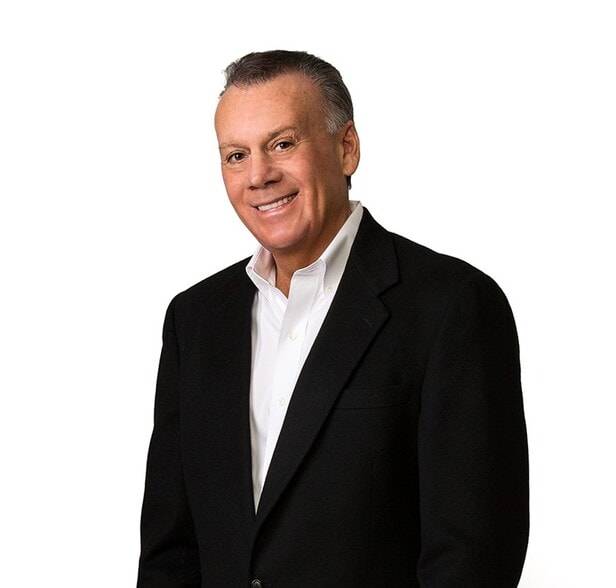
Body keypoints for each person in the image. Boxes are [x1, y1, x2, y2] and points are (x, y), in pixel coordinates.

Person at [137, 50, 529, 587]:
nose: (259, 176)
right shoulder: (195, 320)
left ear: (347, 148)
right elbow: (170, 554)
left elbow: (472, 560)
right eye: (236, 155)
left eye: (282, 144)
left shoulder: (451, 307)